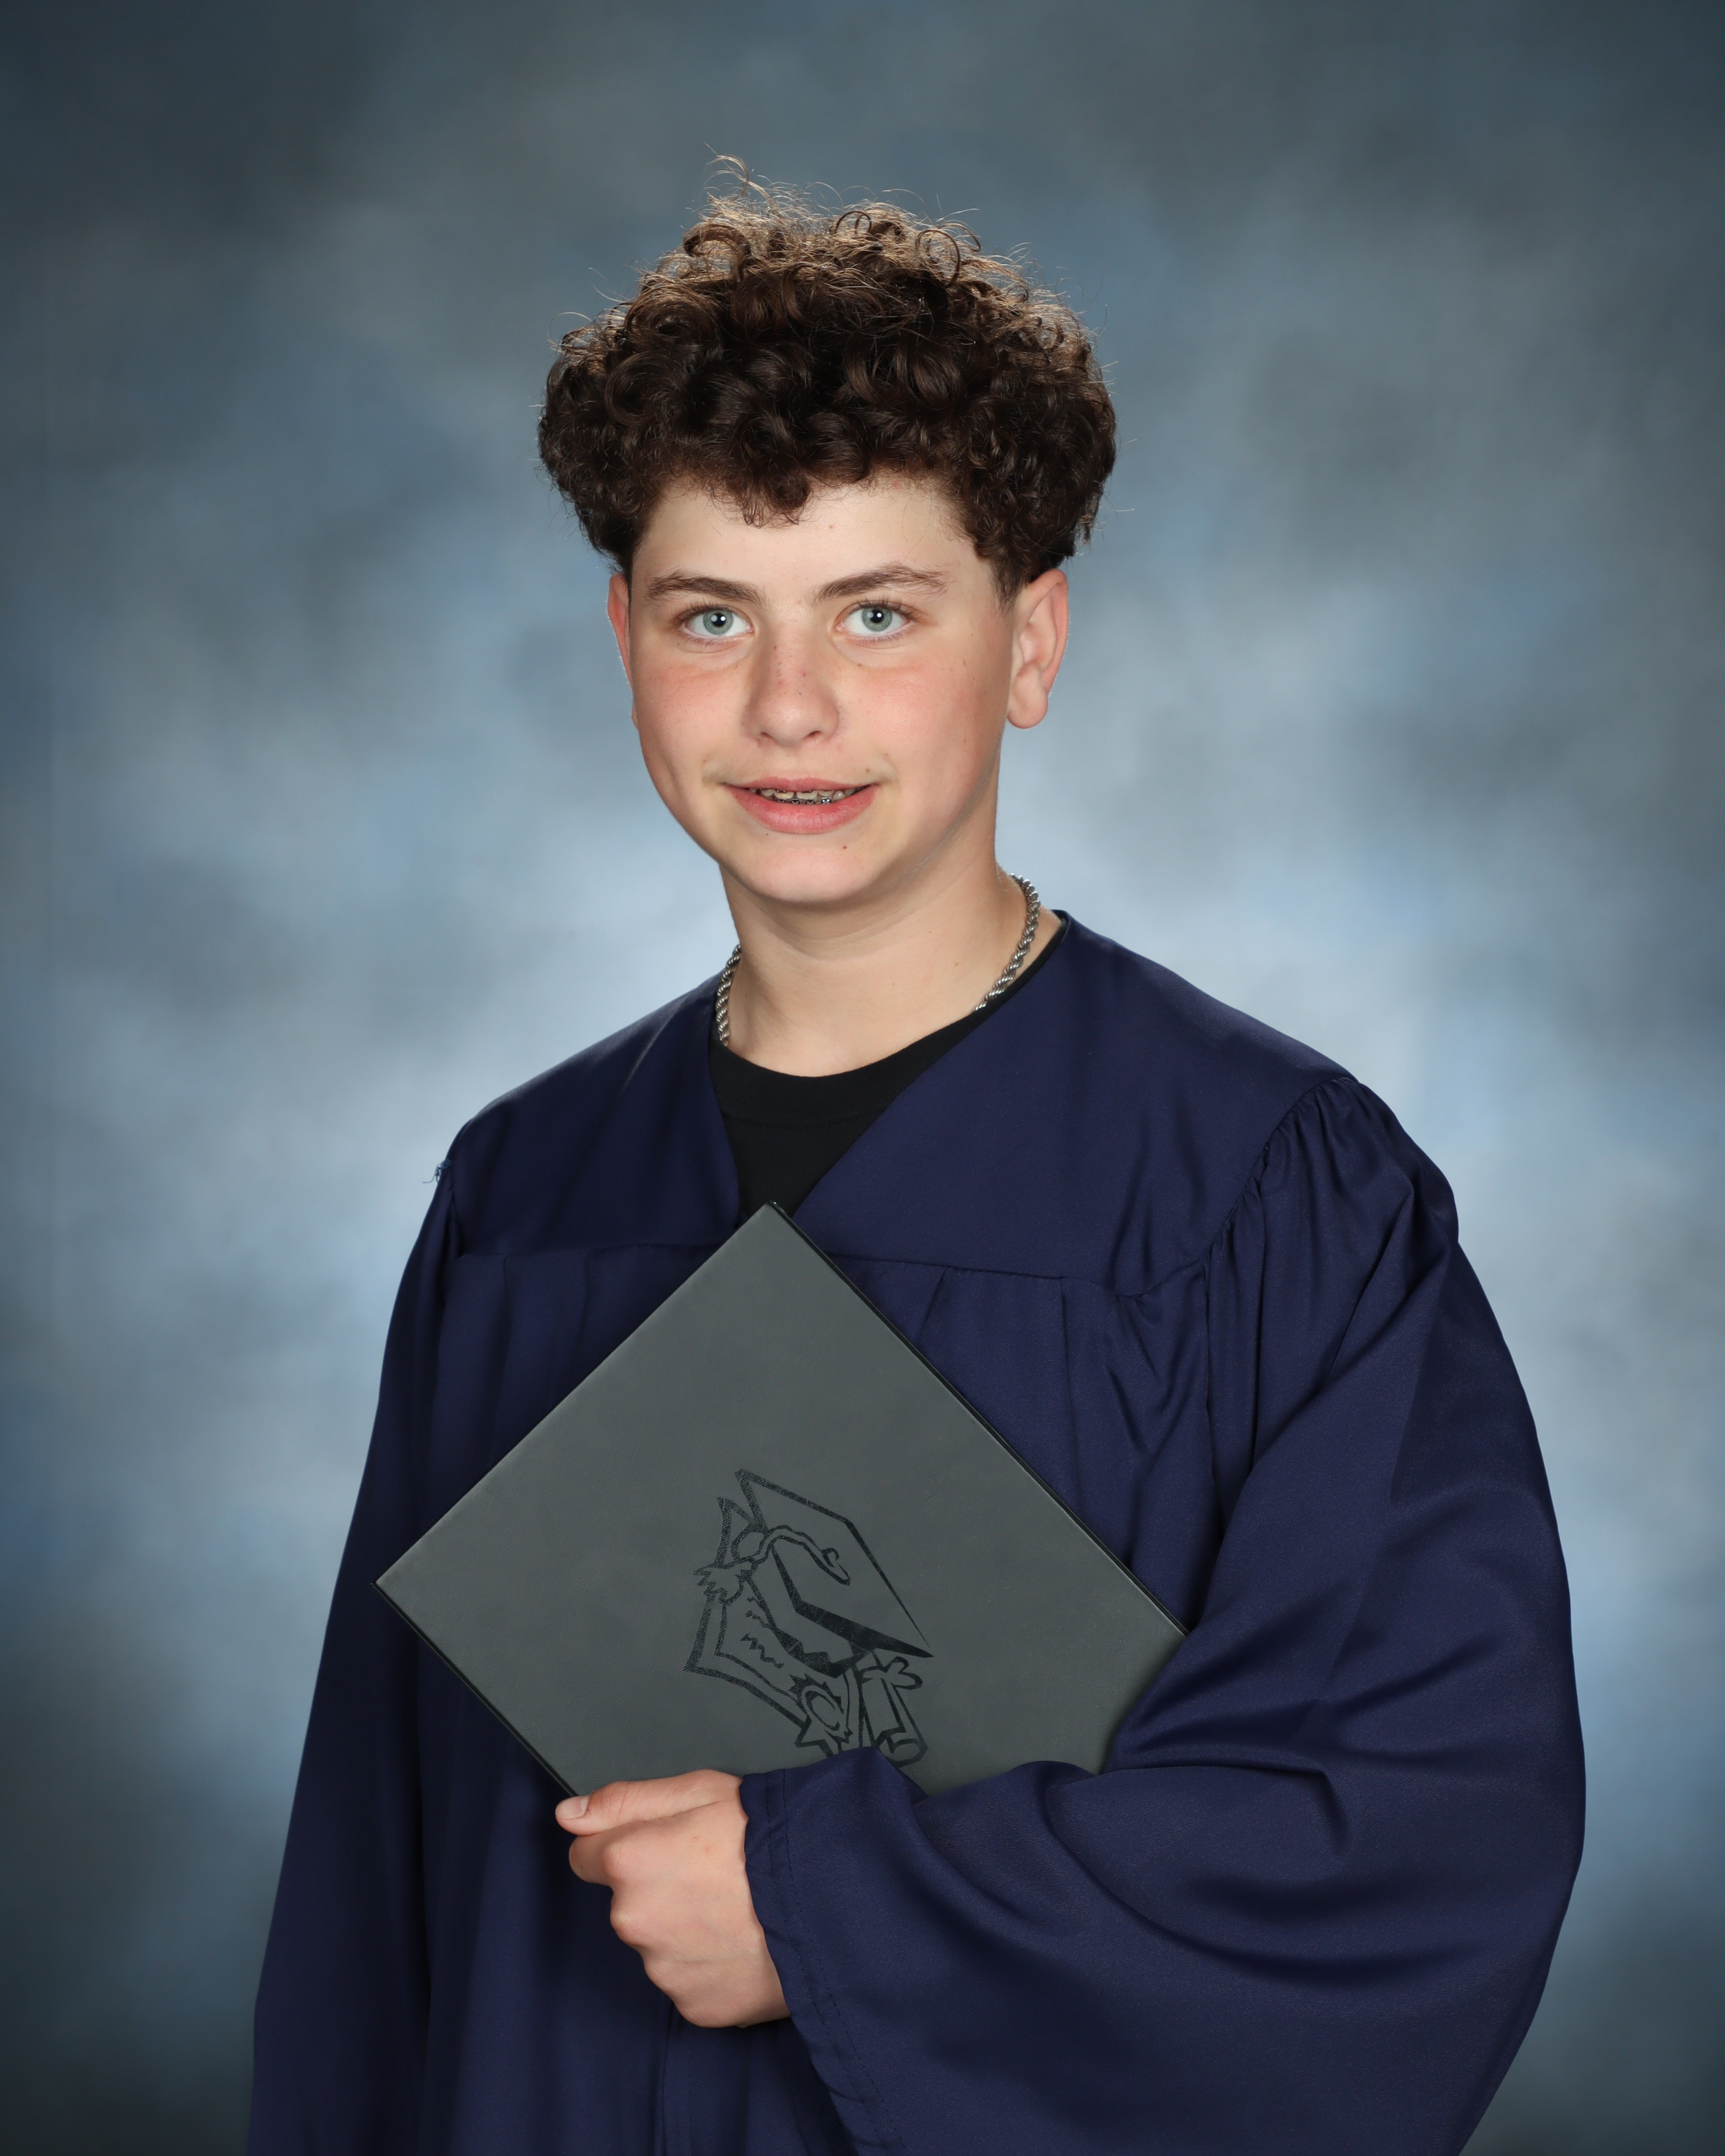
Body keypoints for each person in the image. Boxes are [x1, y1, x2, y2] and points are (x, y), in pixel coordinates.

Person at [250, 179, 1585, 2156]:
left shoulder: (1272, 1195)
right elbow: (378, 1889)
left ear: (1028, 640)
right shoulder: (523, 1198)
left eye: (877, 613)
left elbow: (1400, 1834)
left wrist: (822, 1898)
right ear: (624, 639)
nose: (787, 706)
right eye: (713, 615)